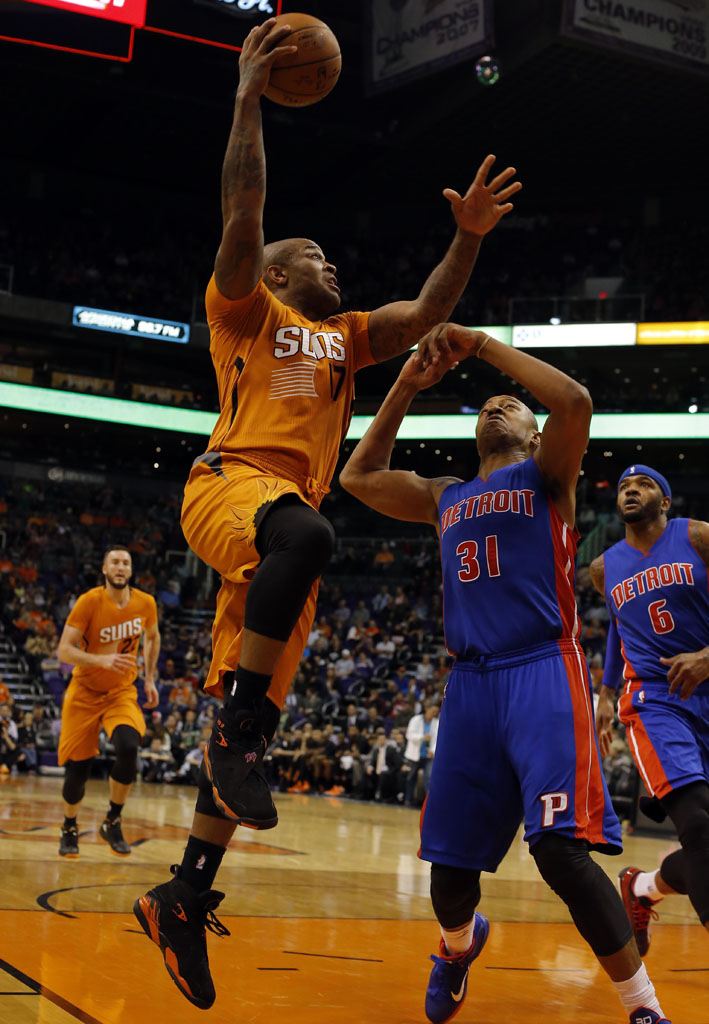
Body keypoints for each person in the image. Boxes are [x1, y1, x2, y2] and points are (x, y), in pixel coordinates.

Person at [133, 16, 522, 1010]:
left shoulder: (347, 339)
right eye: (313, 257)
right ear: (271, 270)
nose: (331, 266)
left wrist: (465, 240)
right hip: (233, 487)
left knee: (248, 740)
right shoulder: (248, 307)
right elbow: (244, 205)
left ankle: (183, 891)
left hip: (279, 544)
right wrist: (248, 99)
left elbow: (427, 310)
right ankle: (235, 730)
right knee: (305, 542)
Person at [339, 323, 671, 1024]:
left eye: (510, 405)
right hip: (469, 685)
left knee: (558, 851)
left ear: (529, 431)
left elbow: (575, 401)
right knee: (450, 872)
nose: (496, 406)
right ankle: (456, 949)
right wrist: (406, 382)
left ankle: (642, 1007)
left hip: (541, 670)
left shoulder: (548, 476)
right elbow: (356, 477)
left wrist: (483, 346)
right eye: (486, 404)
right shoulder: (444, 494)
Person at [590, 465, 709, 956]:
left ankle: (642, 888)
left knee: (706, 843)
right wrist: (605, 691)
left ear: (666, 500)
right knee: (699, 825)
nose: (631, 490)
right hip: (656, 698)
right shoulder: (603, 568)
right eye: (623, 486)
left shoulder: (698, 537)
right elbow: (621, 626)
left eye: (643, 485)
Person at [56, 546, 160, 857]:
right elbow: (64, 650)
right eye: (114, 562)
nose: (120, 567)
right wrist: (100, 661)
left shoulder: (146, 603)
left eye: (125, 563)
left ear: (131, 570)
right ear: (104, 569)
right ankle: (69, 826)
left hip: (121, 692)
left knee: (129, 746)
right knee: (79, 768)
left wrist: (151, 678)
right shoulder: (89, 601)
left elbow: (153, 637)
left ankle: (112, 820)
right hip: (85, 691)